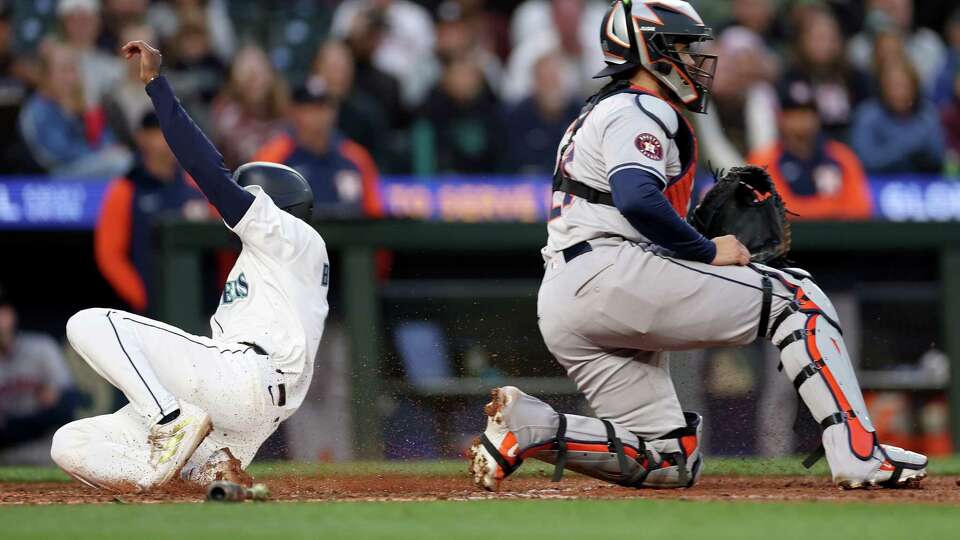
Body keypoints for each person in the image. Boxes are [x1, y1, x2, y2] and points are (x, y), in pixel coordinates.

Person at [468, 0, 927, 492]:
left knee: (668, 460)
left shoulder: (601, 111)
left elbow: (630, 206)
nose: (694, 58)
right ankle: (858, 453)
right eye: (682, 46)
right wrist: (707, 252)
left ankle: (530, 427)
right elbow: (637, 198)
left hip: (570, 295)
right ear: (651, 50)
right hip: (609, 272)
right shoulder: (640, 106)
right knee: (797, 299)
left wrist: (688, 243)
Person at [50, 40, 330, 493]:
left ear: (274, 202)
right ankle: (200, 472)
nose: (241, 201)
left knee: (88, 322)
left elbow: (208, 172)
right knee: (70, 442)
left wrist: (158, 87)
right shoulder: (271, 263)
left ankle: (170, 422)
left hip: (246, 378)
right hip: (242, 412)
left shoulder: (293, 237)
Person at [95, 112, 208, 314]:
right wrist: (143, 299)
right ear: (142, 137)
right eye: (158, 133)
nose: (166, 140)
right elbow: (110, 256)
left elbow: (224, 242)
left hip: (202, 307)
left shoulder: (196, 185)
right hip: (150, 309)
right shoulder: (126, 189)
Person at [253, 77, 382, 219]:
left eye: (324, 107)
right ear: (294, 112)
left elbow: (374, 215)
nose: (319, 117)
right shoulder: (272, 158)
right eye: (310, 109)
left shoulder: (356, 157)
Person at [748, 81, 872, 220]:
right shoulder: (763, 159)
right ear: (780, 118)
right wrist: (831, 208)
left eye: (807, 113)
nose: (801, 121)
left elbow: (860, 208)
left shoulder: (842, 156)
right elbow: (771, 210)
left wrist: (806, 210)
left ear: (818, 118)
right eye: (793, 114)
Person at [18, 41, 132, 177]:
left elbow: (105, 137)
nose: (70, 78)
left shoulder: (81, 103)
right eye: (64, 70)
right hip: (49, 178)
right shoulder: (39, 109)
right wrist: (102, 153)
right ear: (46, 75)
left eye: (73, 70)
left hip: (87, 166)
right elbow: (58, 154)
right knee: (118, 162)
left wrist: (109, 148)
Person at [0, 285, 80, 462]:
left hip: (45, 451)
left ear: (10, 315)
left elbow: (69, 403)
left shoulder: (41, 348)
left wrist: (17, 427)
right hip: (5, 455)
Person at [851, 58, 946, 174]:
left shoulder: (927, 113)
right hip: (877, 186)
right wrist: (911, 144)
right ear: (882, 88)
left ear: (914, 87)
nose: (899, 92)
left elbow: (938, 157)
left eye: (904, 86)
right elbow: (866, 161)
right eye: (893, 86)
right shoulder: (867, 114)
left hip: (922, 184)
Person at [210, 46, 289, 169]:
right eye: (246, 75)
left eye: (259, 72)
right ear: (234, 81)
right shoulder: (227, 119)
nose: (253, 80)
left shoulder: (287, 115)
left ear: (271, 75)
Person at [501, 52, 580, 175]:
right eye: (544, 79)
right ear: (534, 83)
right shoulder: (518, 116)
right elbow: (509, 163)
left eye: (554, 79)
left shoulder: (581, 114)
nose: (550, 86)